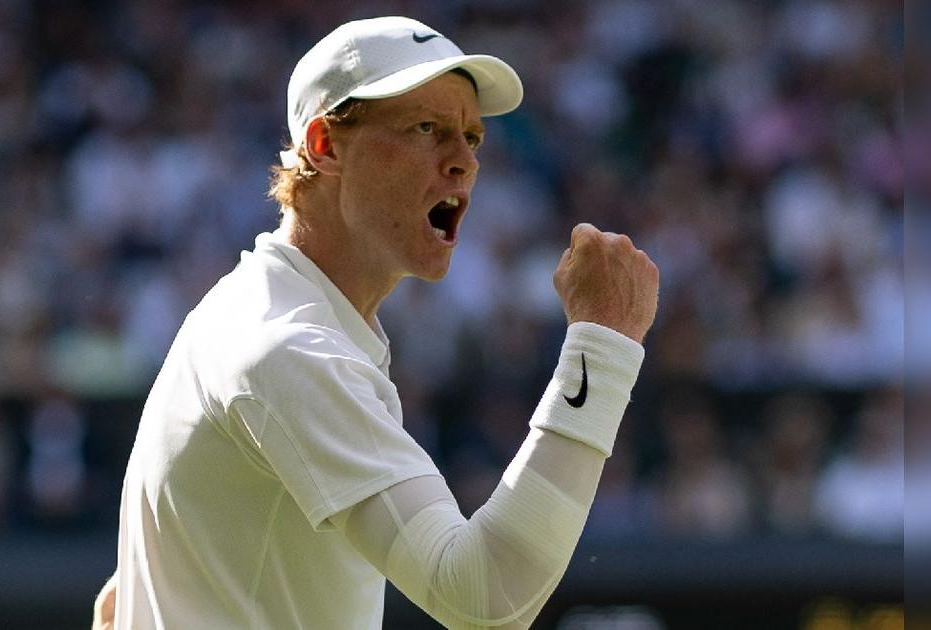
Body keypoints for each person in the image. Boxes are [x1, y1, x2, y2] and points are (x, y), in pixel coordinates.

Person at [94, 16, 658, 629]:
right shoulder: (290, 346)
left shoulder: (258, 313)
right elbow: (486, 599)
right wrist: (603, 346)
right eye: (426, 129)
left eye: (472, 137)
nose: (463, 162)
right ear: (325, 145)